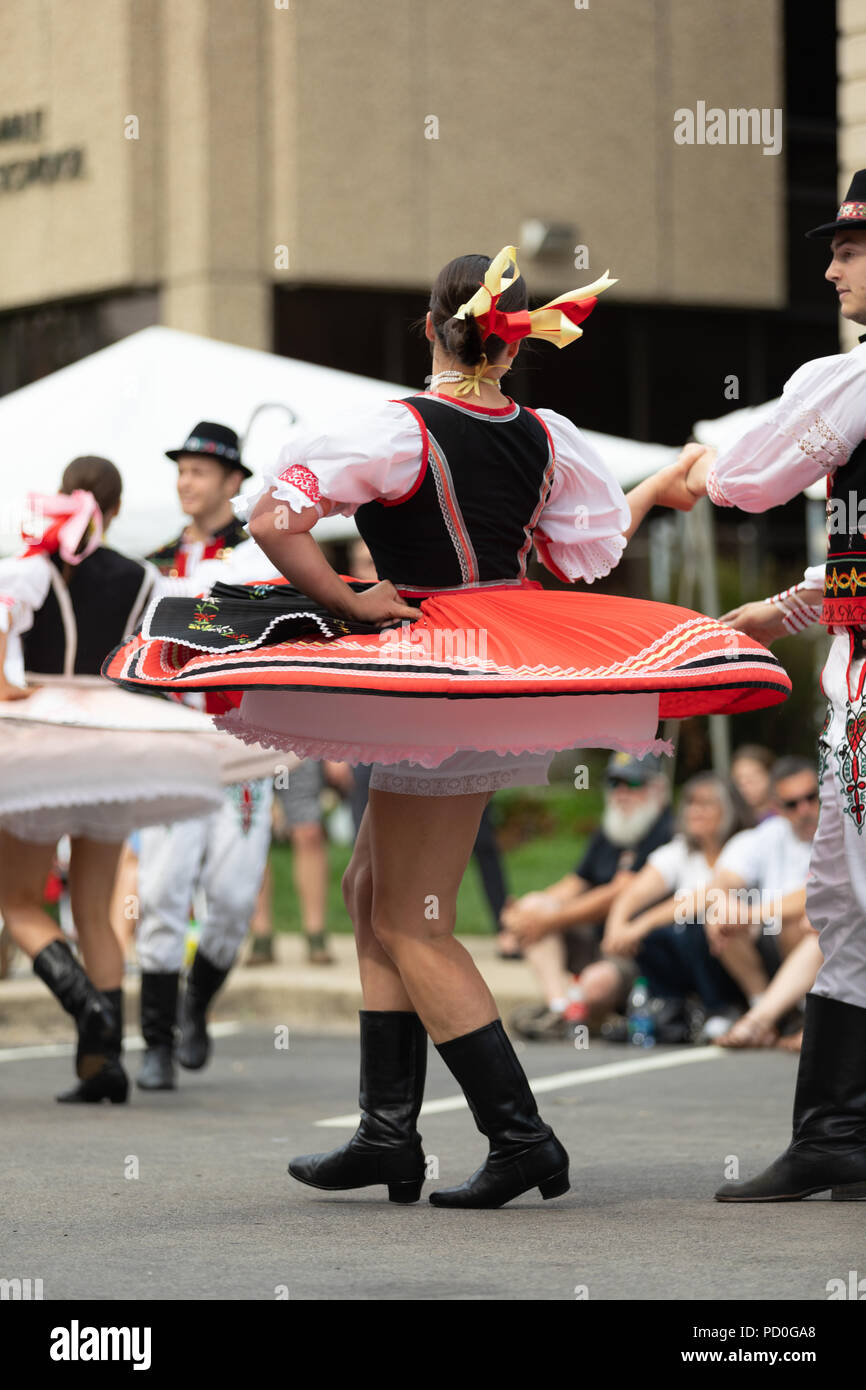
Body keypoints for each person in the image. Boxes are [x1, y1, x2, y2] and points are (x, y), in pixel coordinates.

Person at [106, 245, 789, 1208]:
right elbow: (586, 554)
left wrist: (345, 602)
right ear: (510, 350)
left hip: (439, 671)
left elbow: (272, 515)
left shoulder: (398, 427)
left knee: (410, 917)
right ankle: (389, 1132)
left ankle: (523, 1141)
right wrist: (657, 492)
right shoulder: (543, 434)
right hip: (492, 655)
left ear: (431, 329)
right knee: (368, 886)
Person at [684, 170, 866, 1201]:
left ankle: (833, 1129)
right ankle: (833, 1130)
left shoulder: (849, 379)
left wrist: (690, 472)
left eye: (848, 246)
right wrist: (783, 607)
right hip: (850, 682)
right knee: (841, 906)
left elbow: (747, 478)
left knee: (849, 904)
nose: (831, 263)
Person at [0, 458, 223, 1104]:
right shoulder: (143, 576)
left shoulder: (36, 564)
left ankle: (88, 1015)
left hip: (46, 731)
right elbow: (166, 647)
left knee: (17, 900)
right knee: (97, 909)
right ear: (118, 510)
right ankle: (106, 1067)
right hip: (114, 736)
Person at [134, 421, 280, 1091]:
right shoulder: (154, 564)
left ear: (233, 482)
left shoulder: (263, 556)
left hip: (242, 746)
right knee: (161, 890)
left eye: (199, 470)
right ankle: (157, 1041)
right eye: (181, 470)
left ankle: (197, 1005)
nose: (186, 481)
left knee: (230, 896)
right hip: (171, 744)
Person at [506, 752, 674, 1040]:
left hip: (635, 950)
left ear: (656, 787)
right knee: (535, 906)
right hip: (595, 940)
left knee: (596, 985)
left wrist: (550, 920)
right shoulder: (611, 829)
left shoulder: (665, 831)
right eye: (614, 783)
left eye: (633, 784)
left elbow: (618, 893)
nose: (622, 793)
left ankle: (585, 1010)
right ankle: (561, 1010)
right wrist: (523, 913)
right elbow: (574, 884)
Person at [600, 773, 751, 1040]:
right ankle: (670, 1006)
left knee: (693, 921)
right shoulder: (681, 850)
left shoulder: (745, 845)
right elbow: (633, 893)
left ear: (729, 810)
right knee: (652, 931)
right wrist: (617, 927)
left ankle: (721, 1008)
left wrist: (639, 925)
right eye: (691, 804)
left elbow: (708, 895)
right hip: (695, 956)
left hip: (743, 947)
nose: (695, 812)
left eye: (706, 804)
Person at [701, 756, 818, 1009]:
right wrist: (723, 904)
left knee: (799, 922)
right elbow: (724, 880)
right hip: (771, 938)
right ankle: (762, 1004)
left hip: (815, 940)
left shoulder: (842, 831)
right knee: (720, 918)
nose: (804, 809)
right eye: (792, 803)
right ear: (777, 806)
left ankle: (795, 1013)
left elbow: (817, 893)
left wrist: (751, 914)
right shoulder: (769, 834)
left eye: (811, 797)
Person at [730, 744, 776, 823]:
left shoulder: (785, 815)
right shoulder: (732, 821)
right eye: (739, 779)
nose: (745, 785)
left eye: (753, 777)